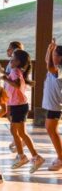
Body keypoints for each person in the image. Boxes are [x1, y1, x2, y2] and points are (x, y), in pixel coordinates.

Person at [2, 49, 44, 173]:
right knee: (15, 131)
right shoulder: (16, 71)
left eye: (13, 59)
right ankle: (22, 156)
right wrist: (3, 73)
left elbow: (16, 84)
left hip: (19, 106)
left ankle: (36, 157)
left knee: (21, 133)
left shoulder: (15, 71)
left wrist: (5, 78)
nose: (11, 60)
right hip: (17, 106)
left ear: (18, 62)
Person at [42, 38, 62, 171]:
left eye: (54, 54)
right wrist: (50, 50)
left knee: (51, 130)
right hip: (52, 105)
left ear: (60, 58)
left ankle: (60, 158)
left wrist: (50, 51)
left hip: (55, 105)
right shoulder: (54, 69)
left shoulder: (58, 70)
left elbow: (49, 65)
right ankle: (60, 156)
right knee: (50, 129)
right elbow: (46, 62)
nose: (51, 57)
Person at [4, 41, 25, 153]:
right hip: (11, 96)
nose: (7, 50)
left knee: (12, 119)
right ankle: (17, 138)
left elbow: (14, 81)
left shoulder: (14, 66)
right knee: (11, 118)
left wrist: (4, 76)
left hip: (13, 98)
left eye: (9, 48)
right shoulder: (13, 64)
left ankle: (19, 140)